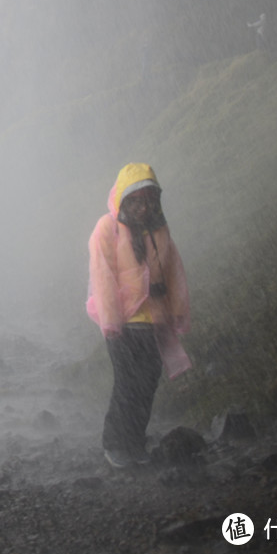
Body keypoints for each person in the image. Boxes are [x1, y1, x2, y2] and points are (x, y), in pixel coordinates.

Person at [86, 163, 191, 468]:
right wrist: (111, 321)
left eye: (149, 200)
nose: (144, 207)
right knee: (128, 384)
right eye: (136, 200)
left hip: (153, 321)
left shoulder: (159, 229)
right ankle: (116, 443)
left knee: (147, 382)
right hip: (124, 322)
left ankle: (134, 442)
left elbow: (174, 272)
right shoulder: (107, 228)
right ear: (123, 200)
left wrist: (178, 312)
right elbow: (102, 276)